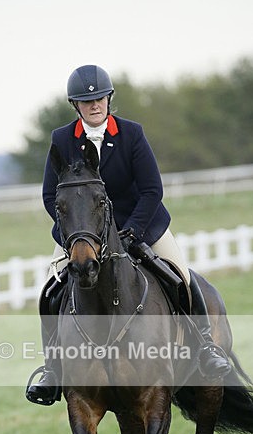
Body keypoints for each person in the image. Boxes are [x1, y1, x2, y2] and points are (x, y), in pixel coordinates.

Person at [26, 64, 231, 405]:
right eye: (87, 101)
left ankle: (206, 346)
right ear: (75, 105)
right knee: (51, 289)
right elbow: (51, 195)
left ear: (109, 99)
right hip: (84, 232)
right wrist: (74, 233)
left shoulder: (131, 133)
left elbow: (152, 190)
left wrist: (133, 230)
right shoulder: (62, 139)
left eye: (100, 98)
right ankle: (52, 369)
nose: (95, 105)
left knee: (181, 276)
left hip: (140, 224)